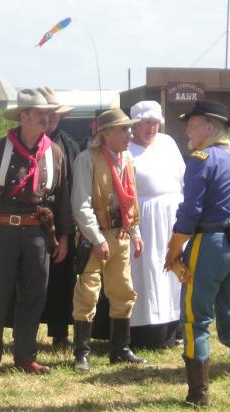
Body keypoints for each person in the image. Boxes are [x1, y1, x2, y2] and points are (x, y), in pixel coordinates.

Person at [164, 100, 230, 406]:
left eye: (192, 125)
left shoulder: (201, 158)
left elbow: (190, 211)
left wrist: (174, 250)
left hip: (209, 245)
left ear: (209, 127)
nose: (187, 131)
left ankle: (198, 396)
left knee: (195, 321)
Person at [0, 89, 72, 378]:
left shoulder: (56, 153)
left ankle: (25, 357)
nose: (46, 118)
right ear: (23, 116)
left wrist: (63, 237)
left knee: (34, 296)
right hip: (2, 232)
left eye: (48, 113)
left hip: (38, 235)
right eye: (40, 113)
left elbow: (62, 199)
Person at [71, 108, 147, 372]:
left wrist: (135, 231)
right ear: (105, 134)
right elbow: (80, 204)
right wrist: (96, 238)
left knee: (123, 290)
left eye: (130, 128)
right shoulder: (87, 159)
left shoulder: (127, 159)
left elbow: (131, 198)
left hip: (121, 234)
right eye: (123, 129)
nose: (130, 134)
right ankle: (82, 352)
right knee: (88, 291)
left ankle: (120, 349)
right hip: (97, 235)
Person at [127, 101, 185, 349]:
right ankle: (145, 332)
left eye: (155, 122)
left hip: (172, 217)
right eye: (146, 123)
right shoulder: (127, 149)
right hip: (145, 220)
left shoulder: (168, 143)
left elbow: (182, 177)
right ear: (135, 125)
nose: (152, 127)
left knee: (174, 271)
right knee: (146, 273)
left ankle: (175, 326)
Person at [36, 86, 81, 349]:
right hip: (31, 221)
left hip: (61, 221)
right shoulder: (25, 144)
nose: (50, 120)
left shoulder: (70, 146)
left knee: (62, 279)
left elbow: (74, 187)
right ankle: (25, 329)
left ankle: (60, 332)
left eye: (54, 115)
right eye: (45, 114)